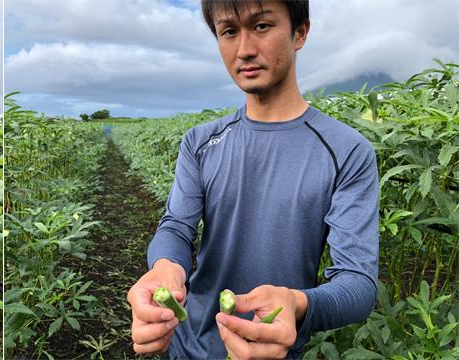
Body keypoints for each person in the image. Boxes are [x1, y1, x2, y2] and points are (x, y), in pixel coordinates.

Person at [126, 0, 379, 359]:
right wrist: (165, 267)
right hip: (186, 346)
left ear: (300, 32)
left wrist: (297, 302)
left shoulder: (347, 151)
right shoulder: (200, 143)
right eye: (229, 31)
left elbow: (358, 285)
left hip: (274, 351)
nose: (244, 49)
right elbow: (176, 227)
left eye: (261, 26)